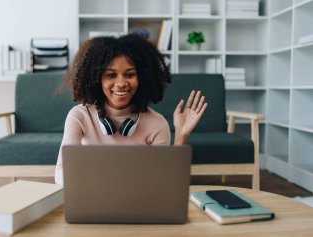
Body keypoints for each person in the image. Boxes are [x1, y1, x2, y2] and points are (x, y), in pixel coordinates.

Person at [55, 34, 207, 185]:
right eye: (111, 75)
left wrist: (181, 136)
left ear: (142, 77)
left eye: (130, 74)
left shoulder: (157, 123)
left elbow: (166, 182)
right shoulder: (80, 116)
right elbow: (61, 172)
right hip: (92, 193)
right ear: (97, 78)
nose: (121, 83)